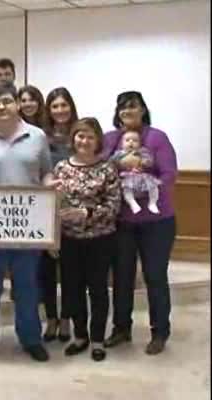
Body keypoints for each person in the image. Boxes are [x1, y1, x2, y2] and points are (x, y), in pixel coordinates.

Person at [0, 83, 58, 364]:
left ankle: (31, 339)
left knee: (27, 287)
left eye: (6, 101)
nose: (1, 107)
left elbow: (46, 174)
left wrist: (52, 187)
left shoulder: (37, 136)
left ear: (17, 103)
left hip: (28, 229)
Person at [103, 91, 178, 355]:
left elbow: (169, 174)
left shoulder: (157, 138)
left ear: (143, 109)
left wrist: (143, 184)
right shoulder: (110, 139)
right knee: (122, 276)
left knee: (154, 276)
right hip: (121, 221)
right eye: (122, 106)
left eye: (132, 106)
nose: (127, 110)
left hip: (157, 222)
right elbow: (101, 170)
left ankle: (160, 332)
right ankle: (121, 328)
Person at [54, 118, 121, 362]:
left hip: (100, 239)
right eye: (80, 135)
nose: (84, 141)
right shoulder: (61, 168)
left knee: (98, 289)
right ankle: (80, 336)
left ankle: (97, 339)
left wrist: (87, 213)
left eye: (90, 137)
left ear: (98, 141)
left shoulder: (107, 168)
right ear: (73, 138)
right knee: (72, 289)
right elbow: (52, 203)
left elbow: (114, 206)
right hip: (69, 239)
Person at [40, 86, 79, 343]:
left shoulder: (81, 134)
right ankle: (51, 318)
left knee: (70, 271)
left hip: (73, 210)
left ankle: (66, 318)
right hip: (45, 209)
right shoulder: (41, 137)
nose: (60, 110)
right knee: (46, 271)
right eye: (55, 106)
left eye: (64, 105)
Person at [110, 130, 161, 214]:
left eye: (135, 140)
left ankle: (152, 203)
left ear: (140, 144)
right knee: (126, 189)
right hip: (127, 176)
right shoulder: (119, 153)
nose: (131, 142)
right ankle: (132, 203)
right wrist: (119, 162)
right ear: (122, 144)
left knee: (154, 186)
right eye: (127, 140)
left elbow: (149, 160)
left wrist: (145, 162)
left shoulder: (142, 152)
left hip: (141, 176)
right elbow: (111, 162)